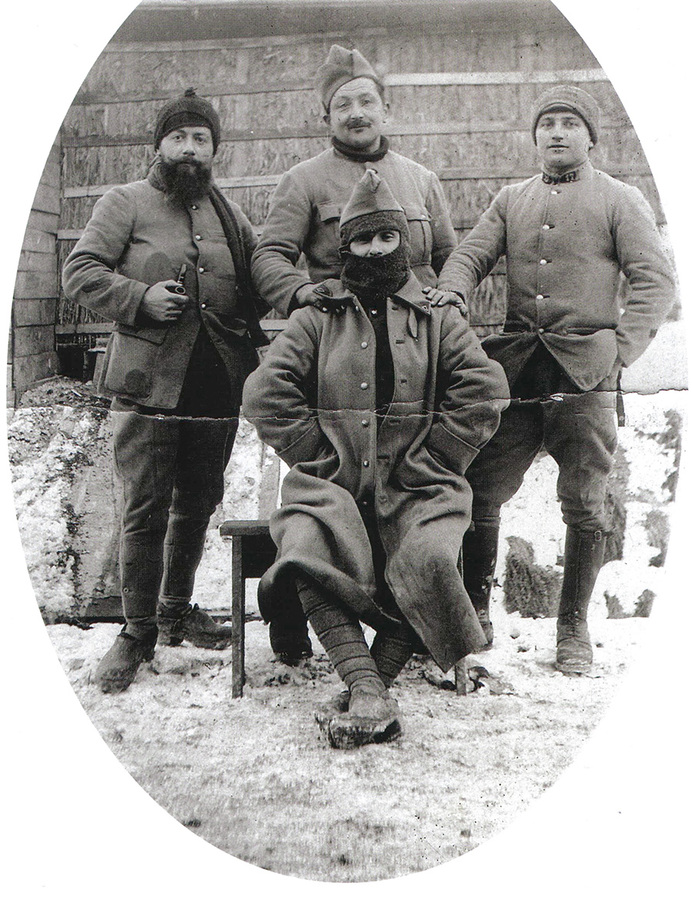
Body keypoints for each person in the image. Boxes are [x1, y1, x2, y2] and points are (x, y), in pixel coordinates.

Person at [243, 170, 509, 748]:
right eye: (362, 241)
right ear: (346, 249)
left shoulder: (438, 315)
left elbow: (485, 388)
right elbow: (266, 392)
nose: (375, 250)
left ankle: (371, 688)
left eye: (386, 239)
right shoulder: (317, 316)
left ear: (403, 242)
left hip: (418, 484)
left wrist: (436, 455)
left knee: (427, 554)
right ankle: (368, 689)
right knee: (307, 545)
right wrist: (318, 454)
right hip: (333, 484)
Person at [427, 85, 676, 674]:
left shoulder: (619, 199)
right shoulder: (512, 198)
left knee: (585, 500)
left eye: (570, 123)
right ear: (535, 137)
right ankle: (478, 615)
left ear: (591, 137)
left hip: (586, 373)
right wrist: (455, 287)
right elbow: (470, 254)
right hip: (517, 371)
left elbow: (655, 281)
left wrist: (620, 349)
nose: (558, 133)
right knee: (483, 487)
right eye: (548, 124)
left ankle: (572, 630)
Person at [63, 89, 271, 693]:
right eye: (178, 137)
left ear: (213, 150)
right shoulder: (125, 202)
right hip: (148, 385)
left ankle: (177, 609)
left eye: (200, 139)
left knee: (198, 503)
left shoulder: (230, 217)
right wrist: (139, 298)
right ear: (158, 145)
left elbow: (264, 271)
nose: (189, 148)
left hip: (216, 387)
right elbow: (81, 271)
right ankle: (137, 630)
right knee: (144, 510)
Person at [251, 44, 457, 319]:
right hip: (342, 328)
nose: (356, 113)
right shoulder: (303, 180)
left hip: (420, 330)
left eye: (366, 101)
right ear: (328, 119)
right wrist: (300, 291)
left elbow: (449, 258)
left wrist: (451, 294)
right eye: (343, 105)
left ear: (385, 110)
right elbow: (269, 256)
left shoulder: (422, 179)